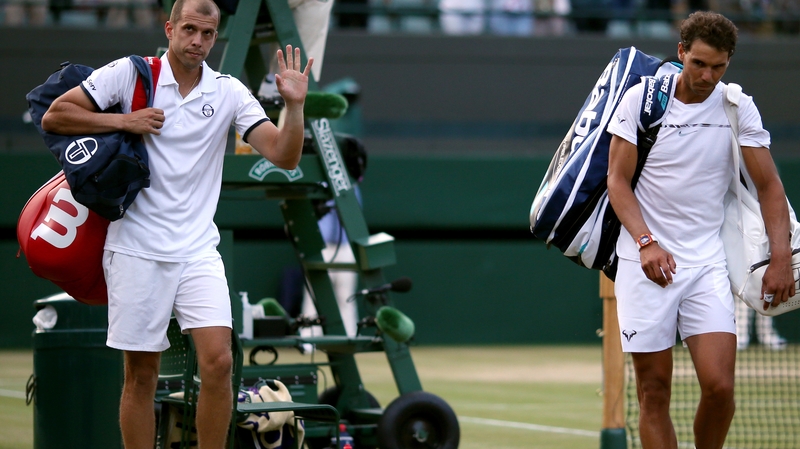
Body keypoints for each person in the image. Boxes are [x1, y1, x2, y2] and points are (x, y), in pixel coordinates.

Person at [39, 0, 312, 447]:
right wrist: (125, 120)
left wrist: (294, 106)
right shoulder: (128, 73)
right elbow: (56, 115)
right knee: (141, 376)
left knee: (219, 362)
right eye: (189, 29)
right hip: (134, 247)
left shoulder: (228, 91)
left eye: (207, 34)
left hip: (197, 250)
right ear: (169, 28)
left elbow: (285, 154)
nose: (198, 41)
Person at [606, 11, 795, 449]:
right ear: (681, 53)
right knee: (653, 393)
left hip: (705, 265)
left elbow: (769, 187)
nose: (708, 75)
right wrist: (647, 242)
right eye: (699, 64)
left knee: (720, 388)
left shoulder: (736, 105)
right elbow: (618, 181)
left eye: (719, 66)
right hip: (643, 263)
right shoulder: (641, 100)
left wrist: (781, 258)